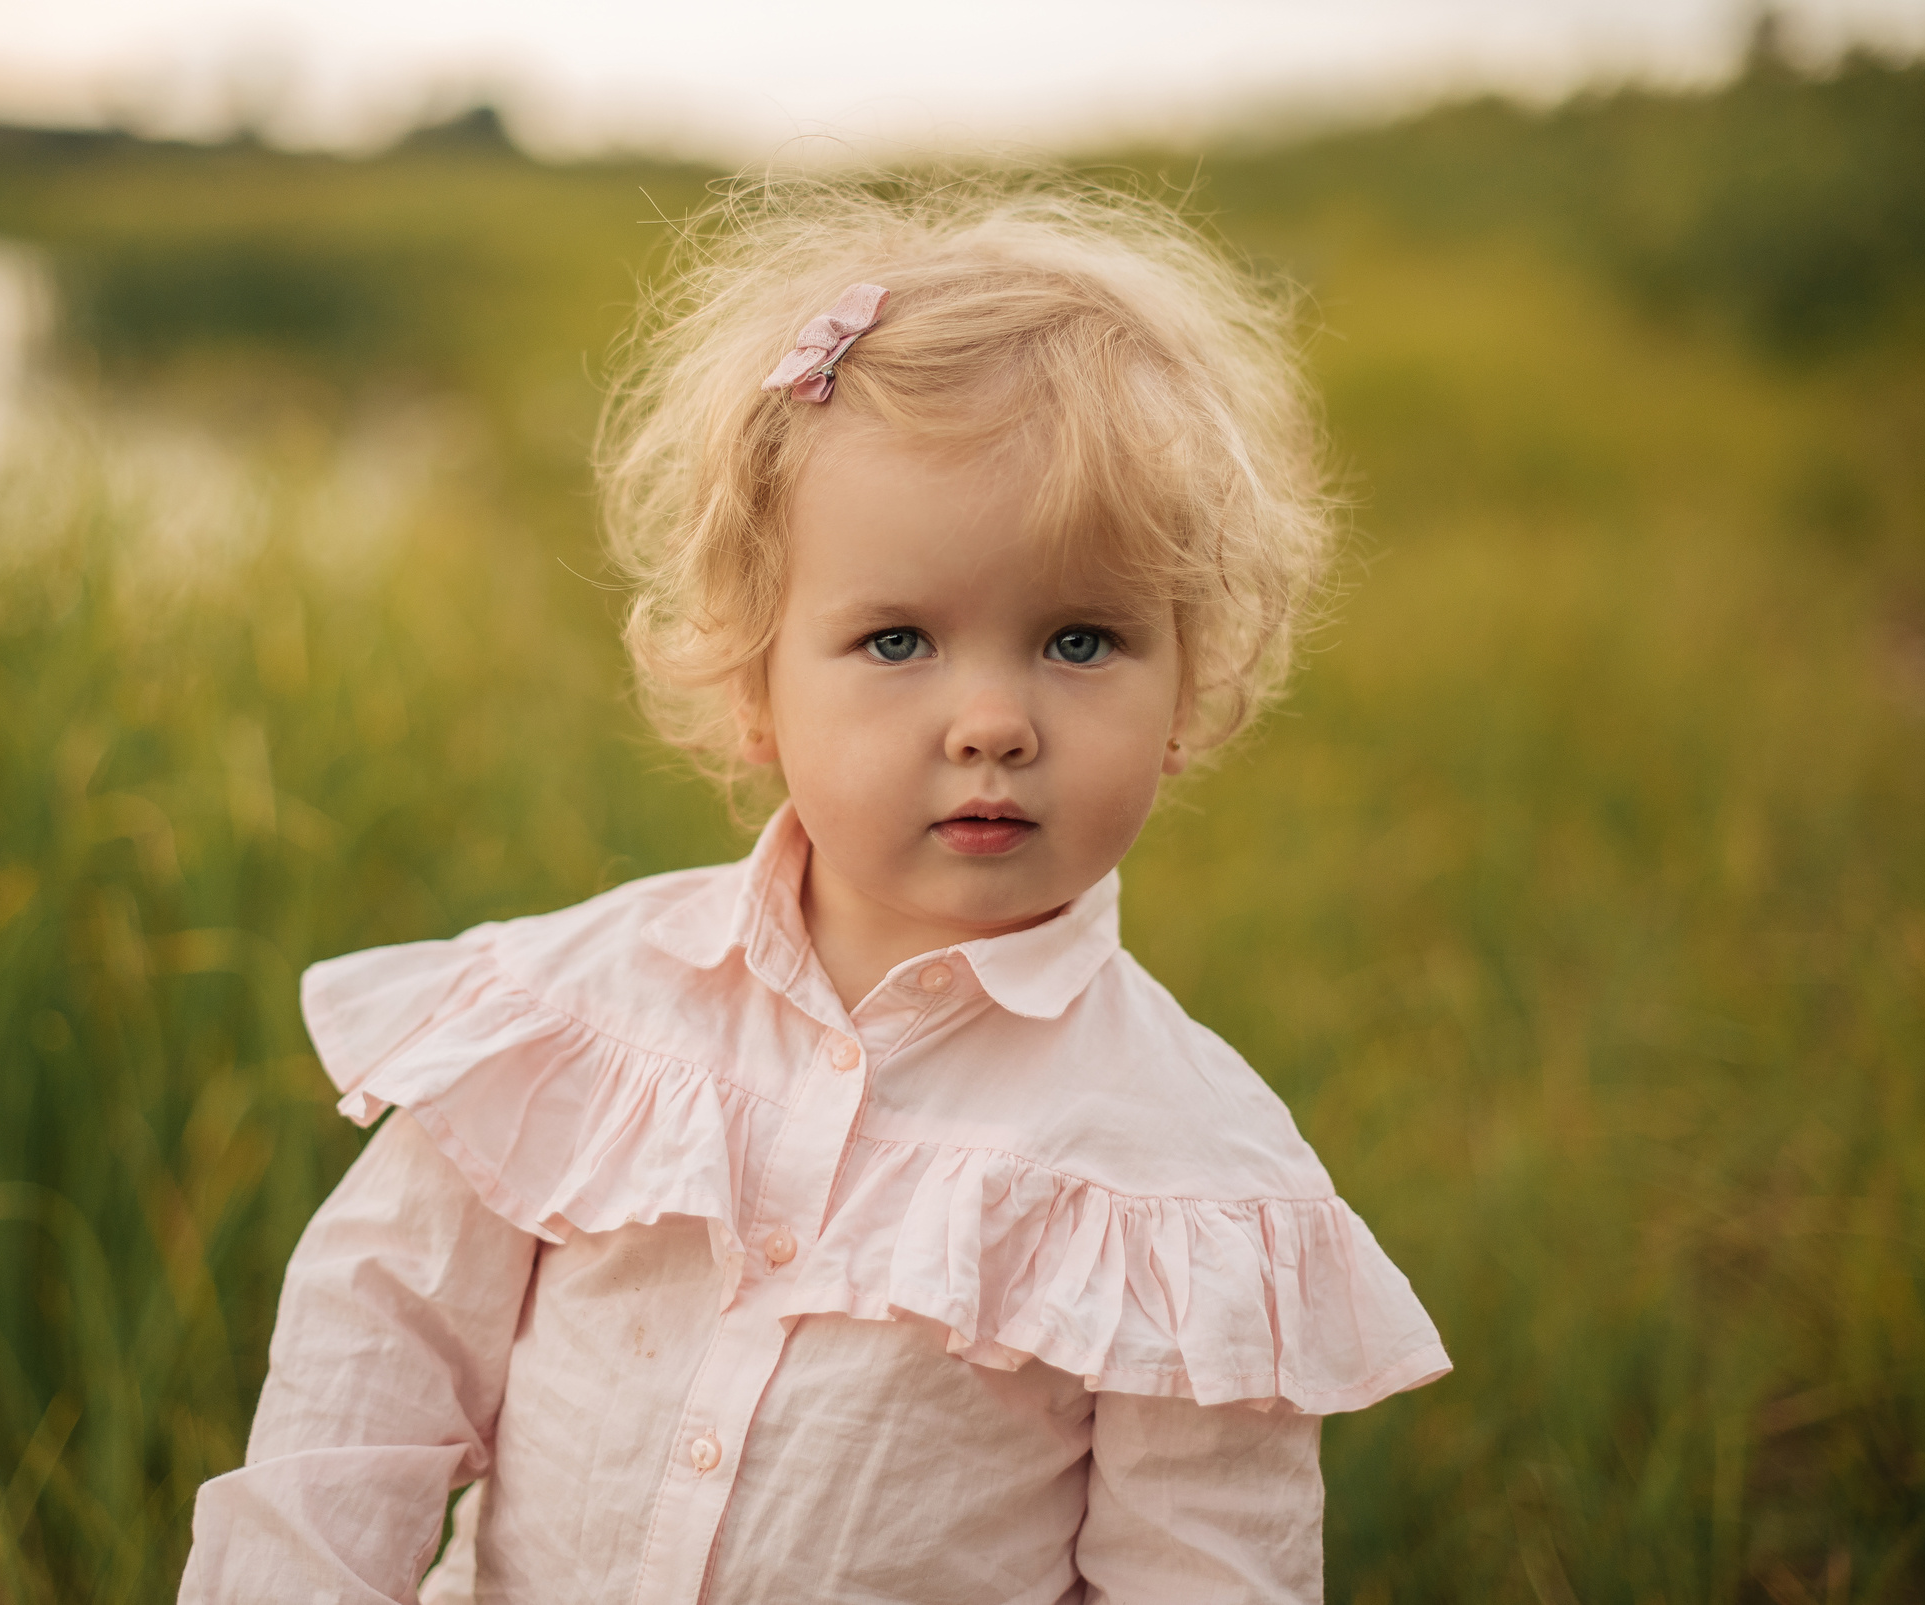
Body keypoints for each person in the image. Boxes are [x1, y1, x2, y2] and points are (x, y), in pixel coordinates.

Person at [179, 176, 1450, 1604]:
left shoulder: (1190, 1178)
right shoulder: (571, 1021)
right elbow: (364, 1384)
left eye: (1081, 640)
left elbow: (1204, 1574)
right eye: (898, 638)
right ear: (753, 679)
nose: (992, 720)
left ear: (1188, 687)